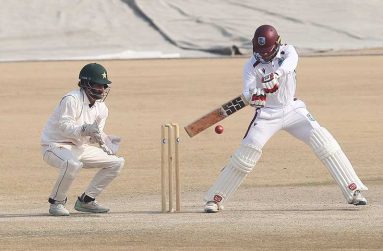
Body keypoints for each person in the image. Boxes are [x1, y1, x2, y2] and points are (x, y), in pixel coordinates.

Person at [203, 25, 368, 213]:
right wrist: (255, 95)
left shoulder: (288, 51)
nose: (263, 56)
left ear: (277, 44)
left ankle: (354, 190)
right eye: (259, 51)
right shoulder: (250, 65)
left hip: (292, 109)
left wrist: (276, 75)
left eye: (267, 51)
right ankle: (215, 199)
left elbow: (291, 64)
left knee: (323, 140)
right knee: (246, 153)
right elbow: (247, 90)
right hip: (266, 114)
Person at [41, 63, 125, 216]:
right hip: (55, 146)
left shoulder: (102, 108)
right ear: (85, 83)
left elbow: (93, 133)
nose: (101, 89)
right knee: (72, 163)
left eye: (103, 86)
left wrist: (105, 139)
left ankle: (87, 201)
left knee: (117, 162)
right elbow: (65, 126)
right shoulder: (71, 99)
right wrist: (84, 129)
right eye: (97, 85)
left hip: (80, 148)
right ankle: (57, 203)